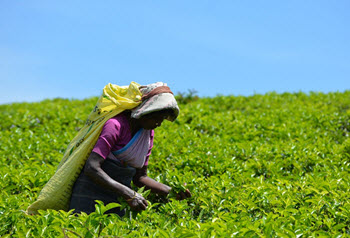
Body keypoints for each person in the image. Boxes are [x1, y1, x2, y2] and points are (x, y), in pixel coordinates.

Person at [69, 82, 191, 216]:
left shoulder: (147, 134)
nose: (159, 124)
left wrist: (171, 191)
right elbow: (92, 167)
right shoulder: (115, 125)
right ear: (146, 111)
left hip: (118, 199)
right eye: (156, 118)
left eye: (162, 120)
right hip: (88, 195)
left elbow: (140, 177)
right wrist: (128, 193)